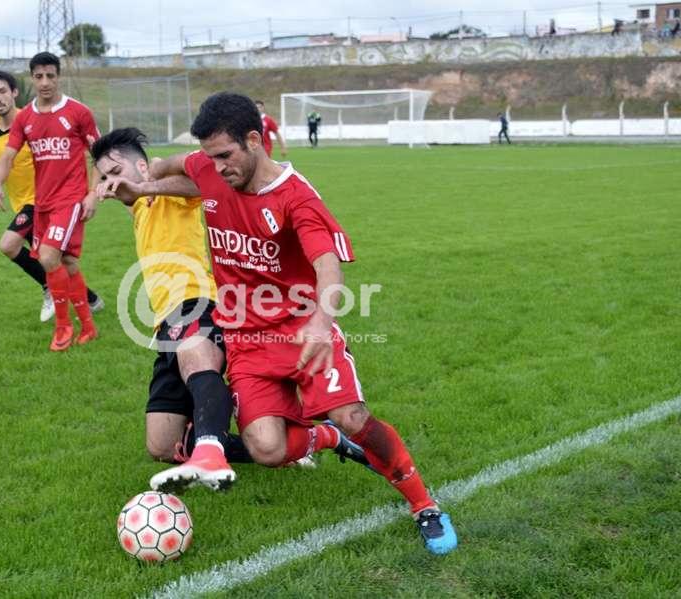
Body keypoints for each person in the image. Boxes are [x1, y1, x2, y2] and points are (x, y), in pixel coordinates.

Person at [99, 92, 458, 555]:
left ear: (255, 140)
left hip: (303, 328)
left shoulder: (296, 197)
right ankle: (324, 438)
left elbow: (328, 266)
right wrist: (145, 185)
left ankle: (424, 505)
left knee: (351, 416)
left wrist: (321, 321)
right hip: (247, 339)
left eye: (225, 155)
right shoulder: (210, 167)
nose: (217, 167)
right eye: (210, 156)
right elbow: (176, 165)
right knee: (266, 449)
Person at [91, 127, 367, 492]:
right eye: (103, 177)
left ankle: (210, 453)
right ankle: (316, 438)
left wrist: (149, 182)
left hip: (197, 301)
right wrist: (106, 194)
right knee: (163, 446)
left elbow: (202, 186)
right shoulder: (140, 207)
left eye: (116, 171)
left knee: (199, 363)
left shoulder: (163, 194)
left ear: (141, 166)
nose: (110, 182)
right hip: (164, 322)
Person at [0, 70, 103, 323]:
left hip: (44, 201)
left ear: (14, 93)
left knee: (9, 245)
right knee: (58, 260)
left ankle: (51, 291)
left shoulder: (34, 119)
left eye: (2, 91)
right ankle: (91, 300)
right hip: (23, 205)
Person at [0, 52, 102, 351]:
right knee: (68, 262)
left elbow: (99, 155)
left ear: (58, 77)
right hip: (43, 203)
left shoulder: (79, 112)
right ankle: (89, 327)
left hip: (71, 199)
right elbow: (8, 156)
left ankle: (63, 327)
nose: (45, 82)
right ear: (32, 79)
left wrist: (93, 193)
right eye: (39, 76)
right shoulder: (25, 117)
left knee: (48, 257)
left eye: (50, 76)